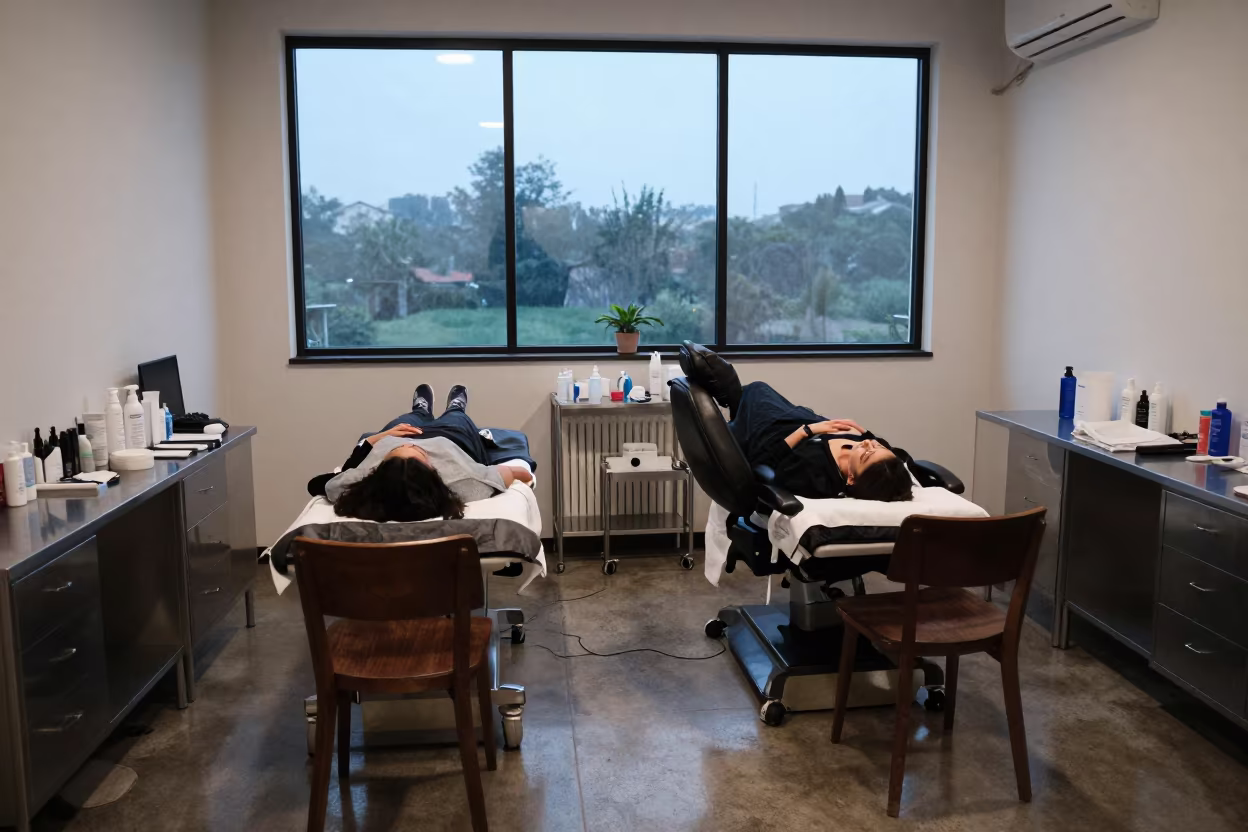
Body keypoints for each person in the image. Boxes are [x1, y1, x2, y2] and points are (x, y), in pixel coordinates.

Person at [680, 342, 913, 502]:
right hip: (797, 418)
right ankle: (735, 406)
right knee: (755, 390)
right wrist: (868, 435)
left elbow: (763, 465)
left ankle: (733, 403)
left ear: (851, 479)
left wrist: (806, 431)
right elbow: (895, 455)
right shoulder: (880, 463)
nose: (868, 444)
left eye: (867, 453)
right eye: (877, 445)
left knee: (754, 391)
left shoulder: (817, 477)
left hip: (770, 434)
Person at [308, 384, 534, 522]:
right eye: (417, 452)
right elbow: (518, 474)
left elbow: (316, 484)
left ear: (379, 472)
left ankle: (420, 410)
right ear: (432, 472)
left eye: (398, 453)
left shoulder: (357, 484)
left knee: (406, 421)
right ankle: (455, 407)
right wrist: (526, 478)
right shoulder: (465, 481)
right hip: (451, 438)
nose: (416, 445)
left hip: (398, 433)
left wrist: (376, 440)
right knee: (457, 419)